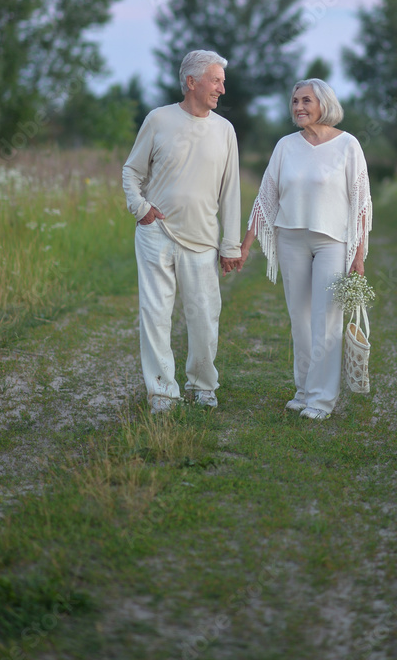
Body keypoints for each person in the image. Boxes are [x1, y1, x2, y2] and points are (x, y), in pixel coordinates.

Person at [239, 79, 371, 421]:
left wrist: (358, 255)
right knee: (300, 320)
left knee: (326, 321)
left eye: (306, 100)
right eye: (295, 101)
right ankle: (303, 390)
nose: (298, 107)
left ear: (323, 104)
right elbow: (266, 198)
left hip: (332, 241)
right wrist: (246, 245)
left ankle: (322, 400)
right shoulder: (285, 146)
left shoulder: (348, 146)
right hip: (291, 239)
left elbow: (360, 205)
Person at [122, 50, 242, 414]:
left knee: (205, 316)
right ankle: (162, 393)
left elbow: (231, 190)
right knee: (155, 314)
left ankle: (203, 385)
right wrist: (140, 209)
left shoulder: (225, 130)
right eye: (216, 80)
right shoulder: (158, 119)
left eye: (222, 80)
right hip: (156, 232)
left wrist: (230, 245)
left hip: (203, 238)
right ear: (192, 82)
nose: (222, 88)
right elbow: (131, 172)